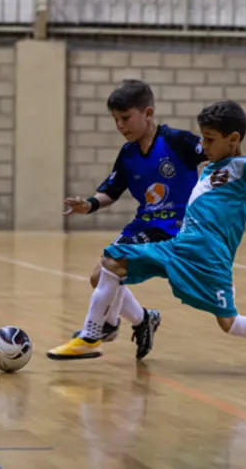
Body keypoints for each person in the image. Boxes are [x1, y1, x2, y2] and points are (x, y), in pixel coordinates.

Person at [49, 100, 246, 375]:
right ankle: (93, 334)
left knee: (230, 323)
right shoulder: (211, 167)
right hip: (177, 247)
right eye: (204, 138)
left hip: (209, 261)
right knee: (111, 261)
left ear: (233, 139)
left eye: (210, 139)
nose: (205, 145)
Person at [47, 79, 207, 361]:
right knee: (99, 277)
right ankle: (144, 319)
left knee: (111, 267)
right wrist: (90, 204)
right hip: (143, 224)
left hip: (173, 227)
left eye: (125, 118)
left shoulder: (177, 141)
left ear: (148, 113)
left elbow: (214, 151)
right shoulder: (128, 153)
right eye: (116, 120)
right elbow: (111, 191)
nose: (121, 125)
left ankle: (94, 333)